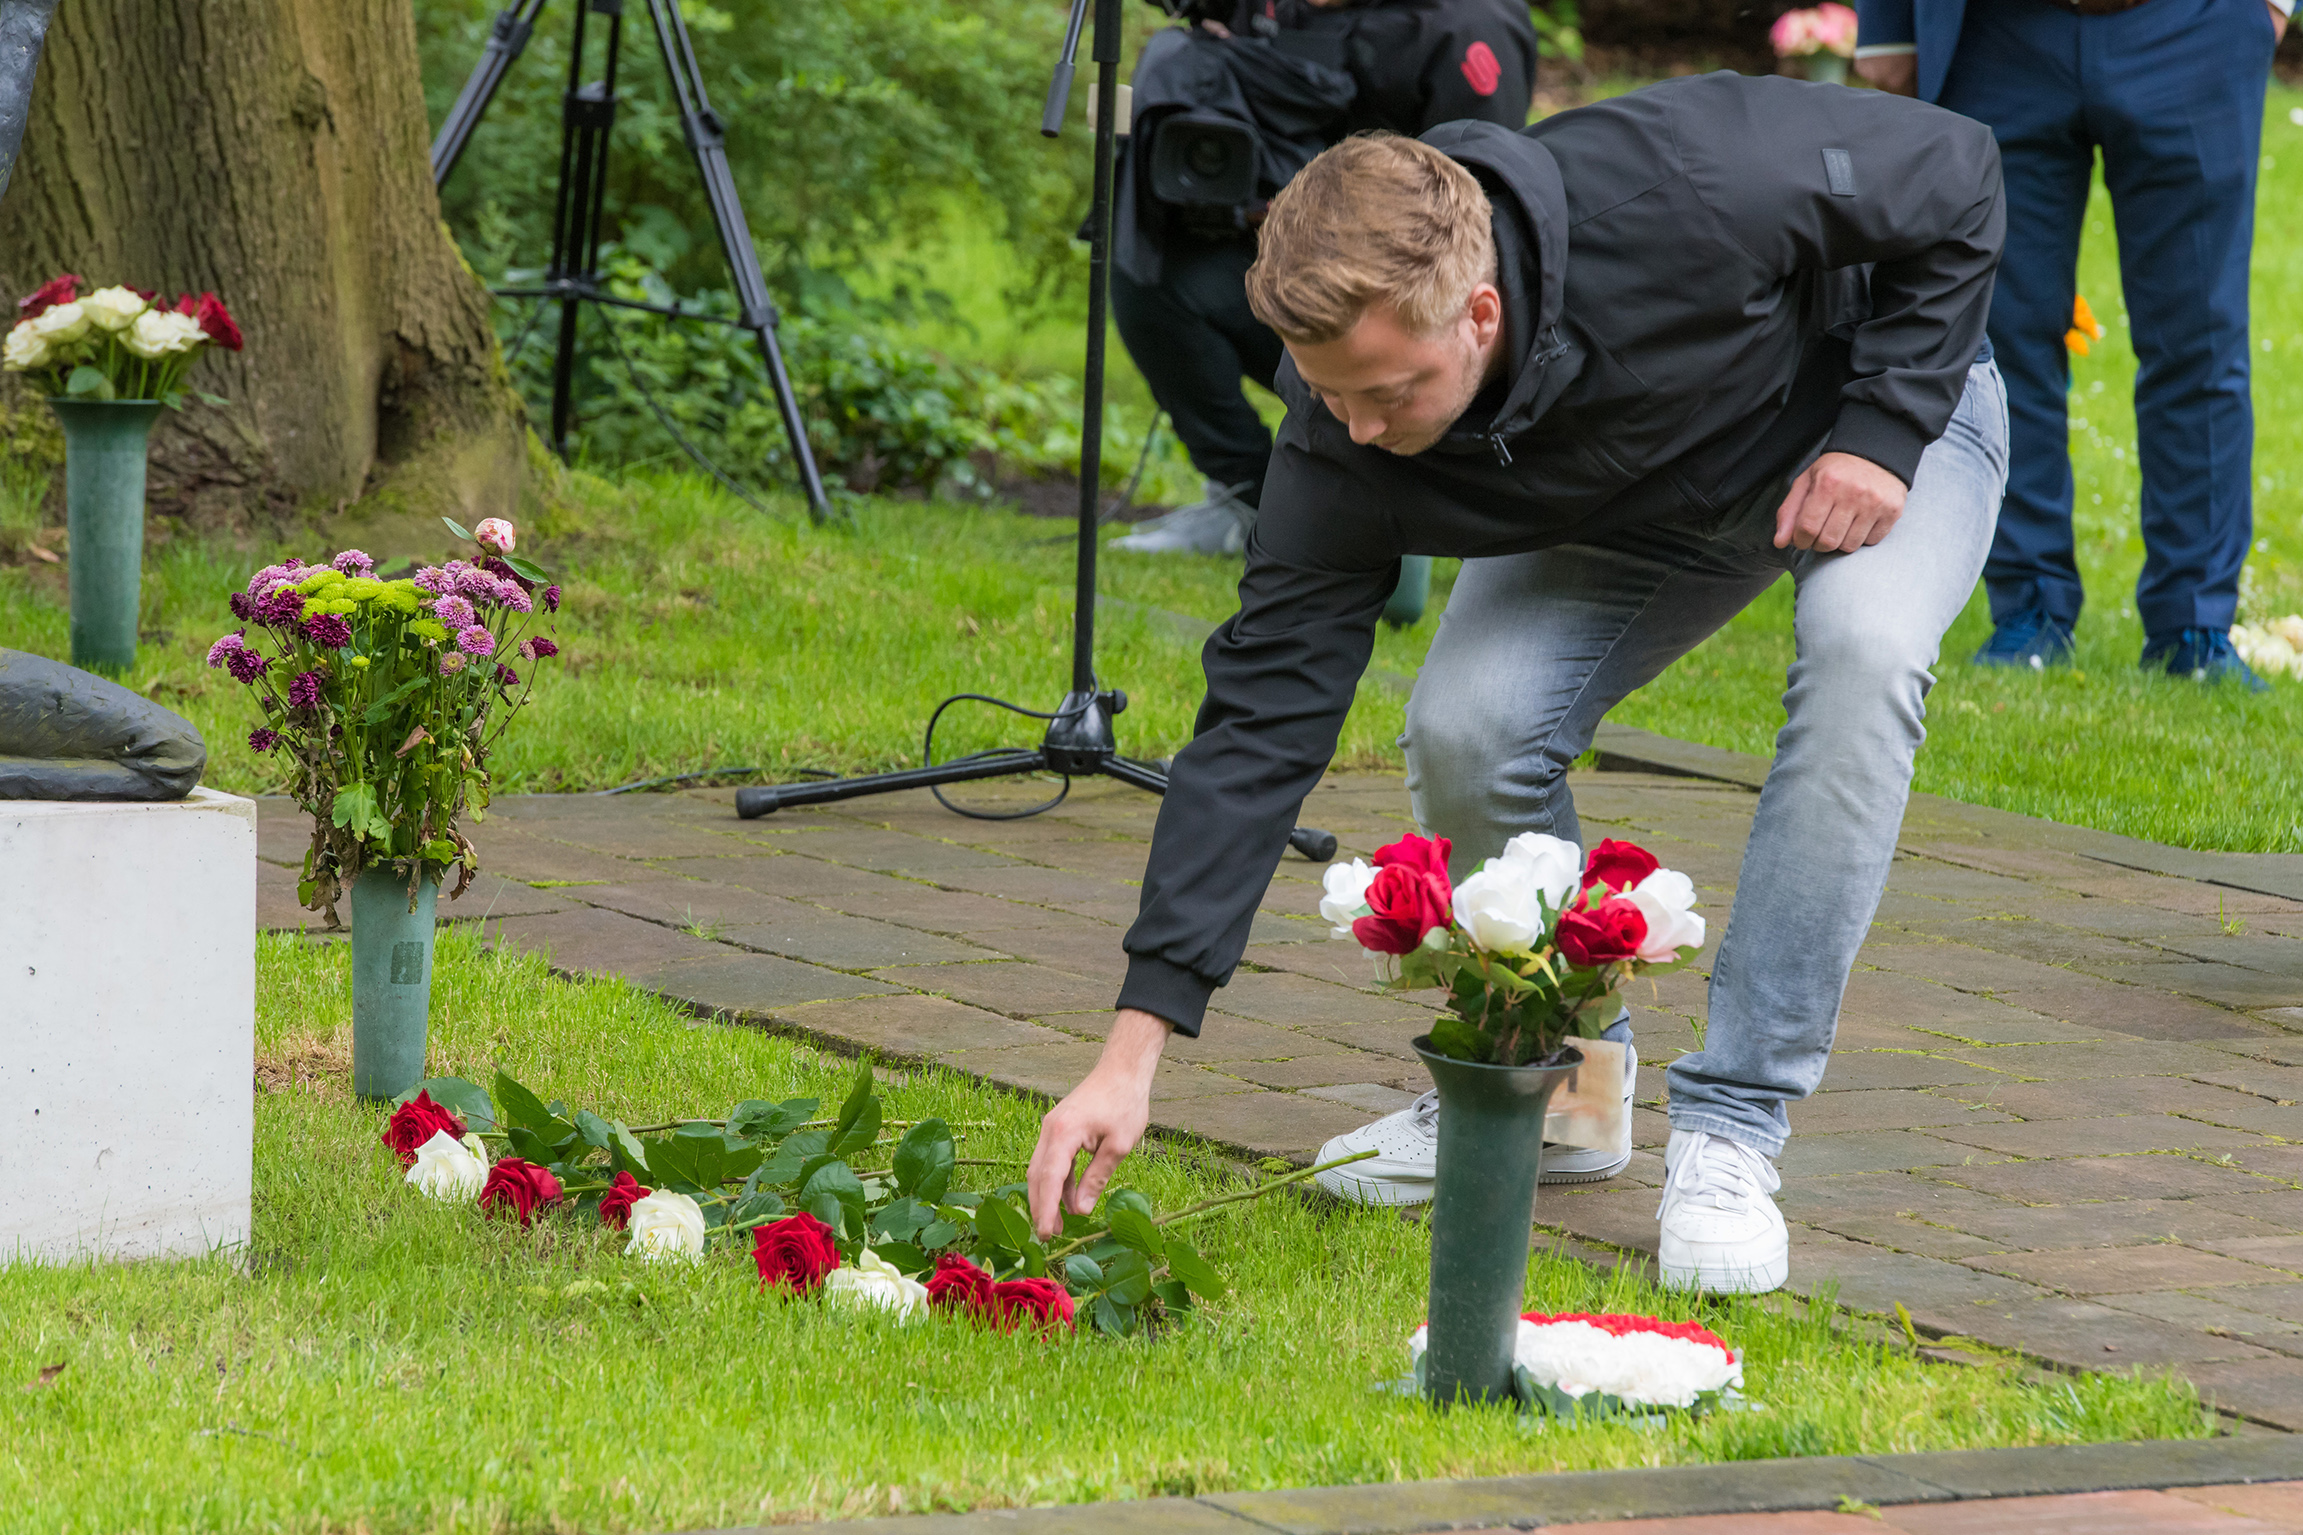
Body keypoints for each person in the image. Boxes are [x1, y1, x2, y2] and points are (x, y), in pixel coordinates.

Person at [1024, 71, 2009, 1296]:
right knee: (1463, 724)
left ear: (1479, 312)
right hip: (1633, 504)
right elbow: (1261, 722)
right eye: (1328, 392)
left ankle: (1733, 1129)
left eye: (1389, 392)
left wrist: (1885, 421)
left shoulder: (1690, 185)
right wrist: (1135, 1045)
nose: (1360, 429)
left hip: (1862, 415)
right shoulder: (1339, 440)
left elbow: (1957, 169)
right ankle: (1560, 1097)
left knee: (1863, 654)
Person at [1855, 0, 2288, 685]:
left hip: (2194, 25)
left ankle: (2194, 626)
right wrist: (1887, 22)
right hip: (1995, 35)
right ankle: (2026, 608)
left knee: (2198, 338)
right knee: (2000, 340)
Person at [1111, 0, 1537, 556]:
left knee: (1384, 352)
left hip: (1412, 310)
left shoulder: (1464, 27)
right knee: (1147, 272)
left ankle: (1411, 506)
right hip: (1286, 268)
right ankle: (1249, 497)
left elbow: (1490, 205)